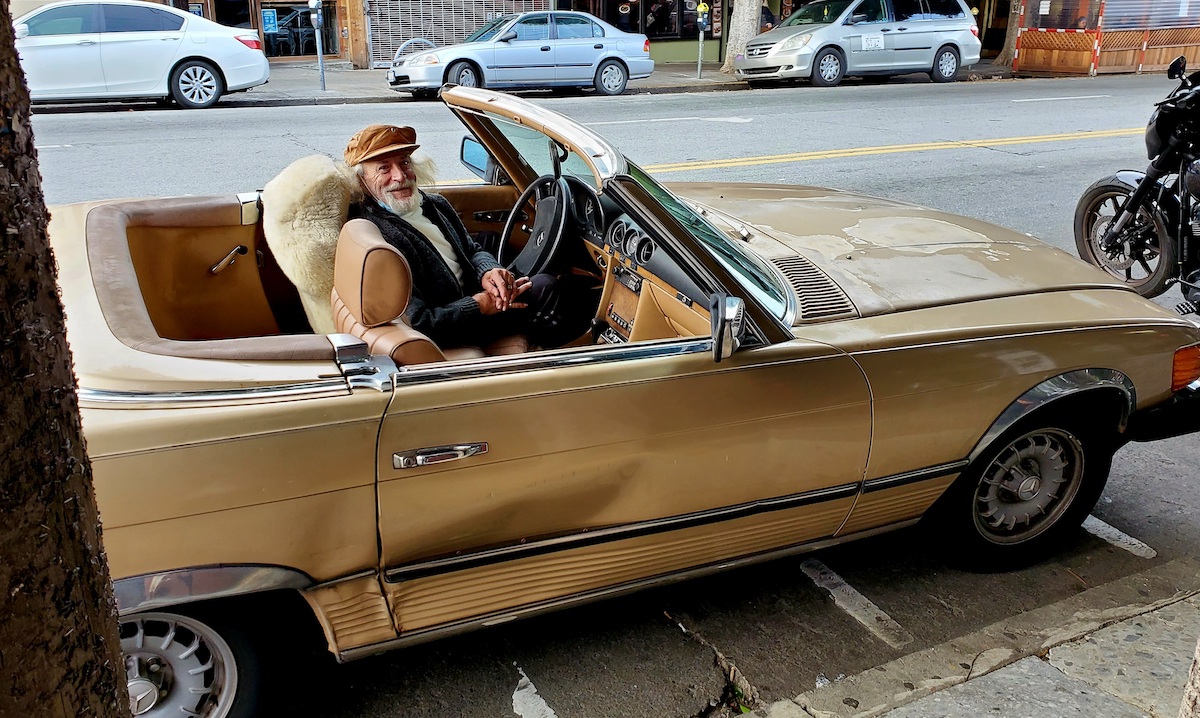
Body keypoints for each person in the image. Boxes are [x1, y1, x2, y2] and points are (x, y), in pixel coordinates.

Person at [344, 124, 574, 351]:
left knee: (495, 247)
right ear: (362, 181)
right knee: (548, 287)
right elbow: (420, 321)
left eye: (404, 162)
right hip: (453, 324)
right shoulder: (378, 237)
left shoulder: (434, 204)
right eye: (384, 169)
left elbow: (472, 249)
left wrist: (489, 271)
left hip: (473, 298)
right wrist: (477, 305)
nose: (400, 175)